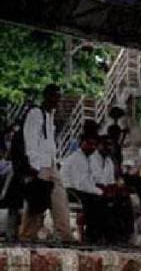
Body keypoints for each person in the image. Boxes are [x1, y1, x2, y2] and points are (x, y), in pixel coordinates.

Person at [18, 84, 76, 242]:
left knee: (59, 197)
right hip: (39, 165)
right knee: (37, 199)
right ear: (47, 96)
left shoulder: (50, 116)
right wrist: (35, 167)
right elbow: (30, 140)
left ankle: (65, 234)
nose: (58, 100)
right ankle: (27, 234)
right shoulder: (36, 114)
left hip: (51, 163)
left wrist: (54, 163)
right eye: (55, 96)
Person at [61, 133, 110, 243]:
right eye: (89, 144)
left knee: (106, 201)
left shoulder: (87, 158)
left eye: (94, 145)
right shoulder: (77, 158)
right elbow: (81, 183)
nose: (92, 147)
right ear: (81, 143)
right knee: (98, 201)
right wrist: (100, 192)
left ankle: (98, 235)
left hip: (80, 190)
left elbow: (90, 181)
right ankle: (91, 236)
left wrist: (100, 190)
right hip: (70, 190)